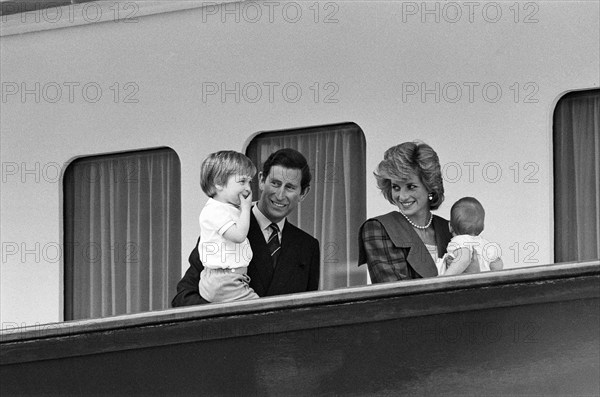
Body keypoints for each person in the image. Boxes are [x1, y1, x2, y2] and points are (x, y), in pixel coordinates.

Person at [172, 148, 320, 306]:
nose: (280, 195)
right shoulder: (225, 226)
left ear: (303, 193)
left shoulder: (307, 247)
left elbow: (308, 310)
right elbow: (183, 298)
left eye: (290, 187)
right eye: (275, 184)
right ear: (262, 180)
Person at [358, 141, 462, 282]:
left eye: (411, 186)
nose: (402, 196)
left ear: (429, 186)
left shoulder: (449, 229)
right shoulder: (379, 228)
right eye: (396, 187)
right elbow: (395, 292)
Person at [196, 150, 259, 302]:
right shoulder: (215, 210)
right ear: (219, 183)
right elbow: (238, 236)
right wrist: (245, 209)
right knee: (260, 309)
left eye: (249, 182)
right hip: (224, 279)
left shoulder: (226, 208)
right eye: (242, 181)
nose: (248, 188)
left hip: (231, 277)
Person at [439, 197, 504, 276]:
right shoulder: (486, 244)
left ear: (450, 226)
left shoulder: (459, 241)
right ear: (482, 227)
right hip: (482, 284)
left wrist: (444, 279)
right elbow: (498, 265)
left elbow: (464, 259)